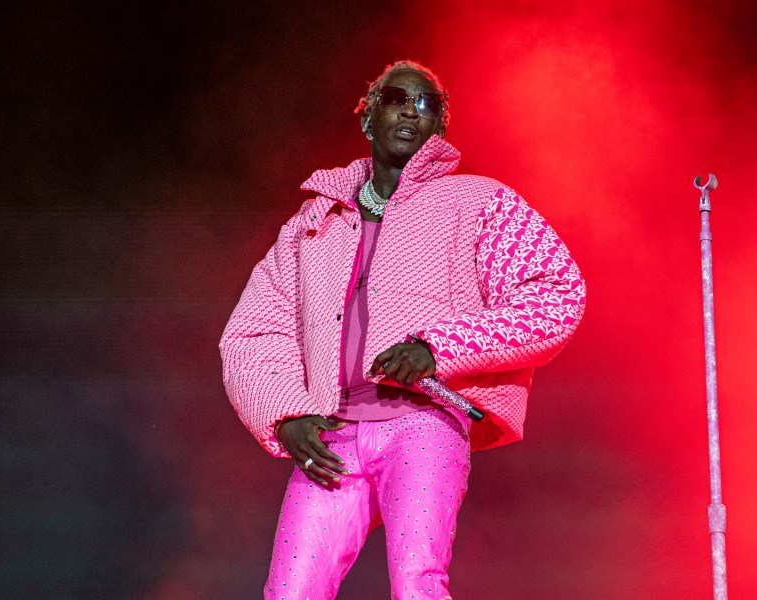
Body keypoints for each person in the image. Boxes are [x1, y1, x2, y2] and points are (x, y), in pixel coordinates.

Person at [220, 60, 586, 599]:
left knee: (417, 584)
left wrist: (439, 348)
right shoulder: (313, 221)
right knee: (289, 592)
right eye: (396, 98)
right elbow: (253, 332)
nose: (411, 111)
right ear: (368, 117)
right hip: (331, 436)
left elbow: (556, 293)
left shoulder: (477, 202)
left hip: (423, 425)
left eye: (428, 104)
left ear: (440, 126)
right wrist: (285, 417)